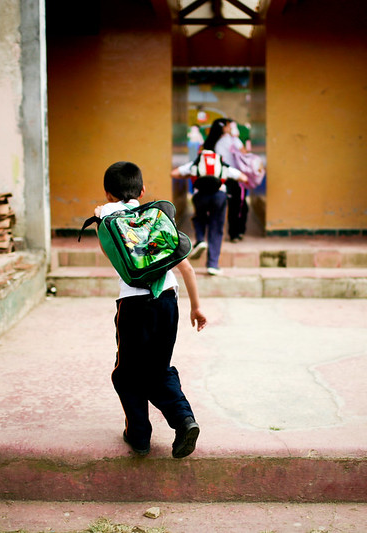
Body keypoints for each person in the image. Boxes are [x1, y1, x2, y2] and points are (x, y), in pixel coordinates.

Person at [94, 161, 207, 459]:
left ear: (107, 194)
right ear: (143, 191)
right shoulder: (157, 222)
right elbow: (187, 268)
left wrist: (100, 215)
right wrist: (196, 307)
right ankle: (184, 420)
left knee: (126, 374)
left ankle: (139, 436)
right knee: (159, 368)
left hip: (133, 305)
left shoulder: (107, 218)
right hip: (168, 300)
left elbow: (107, 243)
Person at [171, 118, 248, 276]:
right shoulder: (222, 163)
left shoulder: (196, 162)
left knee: (198, 218)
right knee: (216, 228)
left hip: (200, 196)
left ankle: (200, 239)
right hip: (219, 195)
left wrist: (194, 175)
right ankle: (212, 264)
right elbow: (243, 178)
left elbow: (175, 173)